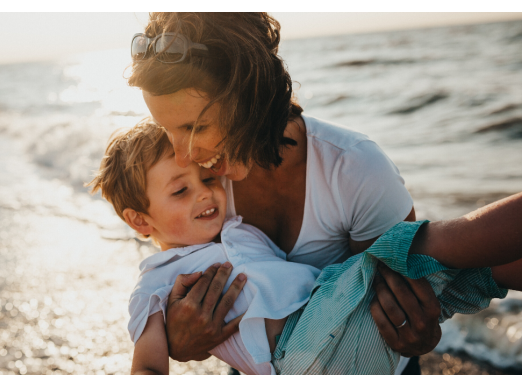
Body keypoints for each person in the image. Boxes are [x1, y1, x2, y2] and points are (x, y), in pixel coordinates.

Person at [127, 12, 437, 373]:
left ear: (250, 97)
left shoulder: (353, 169)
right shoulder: (199, 187)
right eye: (166, 129)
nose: (183, 155)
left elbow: (404, 303)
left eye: (195, 127)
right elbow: (183, 284)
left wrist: (422, 333)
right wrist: (179, 341)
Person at [88, 120, 522, 374]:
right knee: (417, 248)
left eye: (207, 179)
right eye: (180, 192)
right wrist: (178, 345)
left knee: (473, 276)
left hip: (339, 335)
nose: (206, 194)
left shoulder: (237, 230)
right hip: (297, 354)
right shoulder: (156, 282)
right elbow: (147, 366)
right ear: (140, 220)